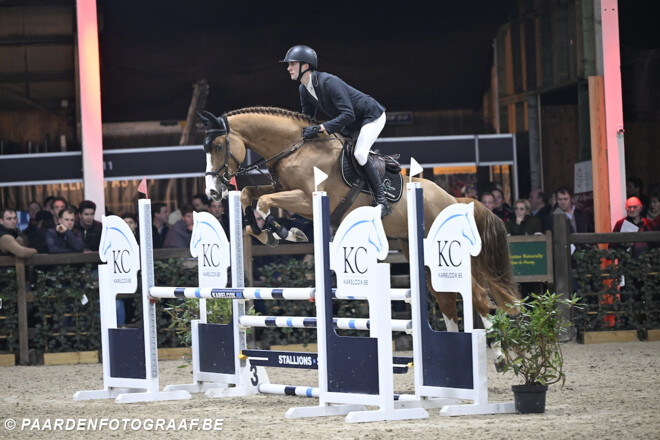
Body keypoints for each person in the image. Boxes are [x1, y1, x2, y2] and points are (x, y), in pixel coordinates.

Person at [281, 44, 390, 216]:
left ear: (305, 66)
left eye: (292, 64)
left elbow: (348, 114)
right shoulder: (304, 88)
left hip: (370, 116)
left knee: (360, 153)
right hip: (352, 122)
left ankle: (382, 200)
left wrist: (321, 128)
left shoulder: (329, 82)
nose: (288, 68)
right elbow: (306, 118)